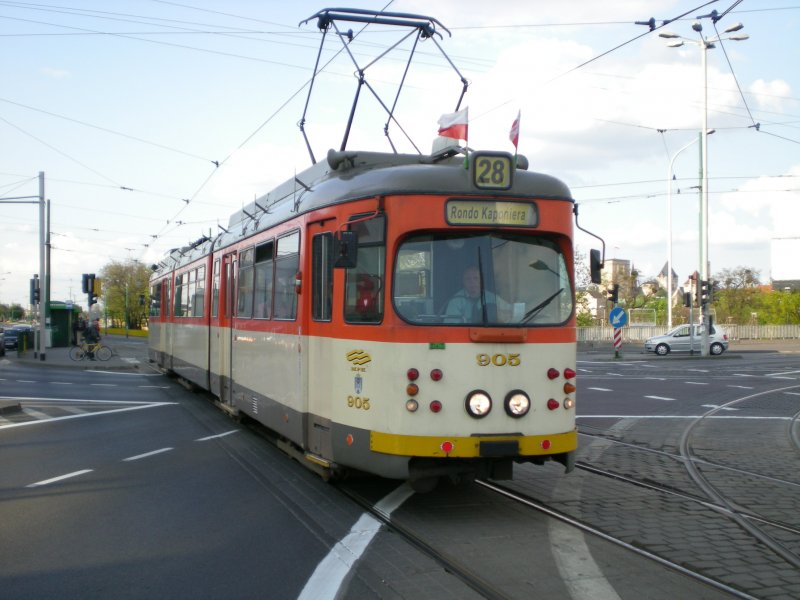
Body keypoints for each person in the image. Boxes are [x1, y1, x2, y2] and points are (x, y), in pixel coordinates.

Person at [444, 265, 510, 323]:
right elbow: (450, 326)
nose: (472, 282)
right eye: (468, 279)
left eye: (476, 278)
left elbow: (510, 314)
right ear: (463, 281)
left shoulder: (493, 298)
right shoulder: (455, 301)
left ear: (482, 280)